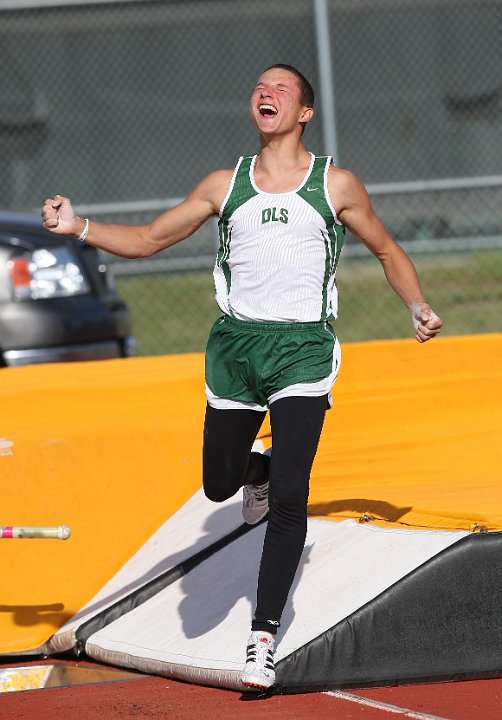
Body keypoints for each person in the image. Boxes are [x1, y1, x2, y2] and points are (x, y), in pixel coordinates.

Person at [41, 63, 442, 691]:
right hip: (235, 347)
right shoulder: (222, 185)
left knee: (291, 493)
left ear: (304, 112)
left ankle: (262, 639)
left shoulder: (334, 184)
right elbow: (148, 240)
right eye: (260, 87)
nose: (267, 93)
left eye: (282, 89)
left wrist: (416, 304)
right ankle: (250, 471)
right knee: (218, 484)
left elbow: (387, 249)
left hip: (303, 348)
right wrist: (80, 227)